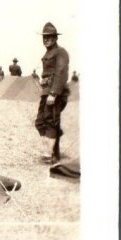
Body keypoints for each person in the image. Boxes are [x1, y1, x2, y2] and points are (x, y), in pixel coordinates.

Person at [34, 22, 71, 163]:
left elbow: (61, 72)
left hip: (55, 92)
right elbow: (49, 73)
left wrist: (54, 93)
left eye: (49, 37)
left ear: (55, 38)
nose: (46, 39)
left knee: (50, 121)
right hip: (46, 91)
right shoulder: (48, 53)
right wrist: (44, 81)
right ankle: (52, 151)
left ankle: (49, 155)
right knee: (40, 122)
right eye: (44, 37)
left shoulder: (60, 52)